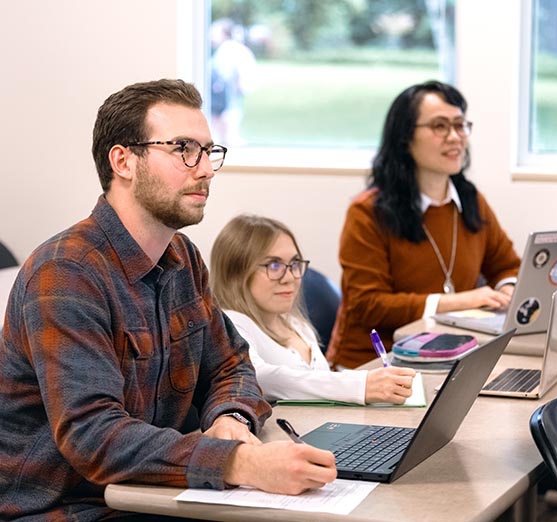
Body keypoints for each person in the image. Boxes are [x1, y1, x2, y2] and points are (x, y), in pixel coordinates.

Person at [0, 79, 336, 521]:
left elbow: (232, 363)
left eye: (209, 151)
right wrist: (239, 462)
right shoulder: (66, 272)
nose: (205, 169)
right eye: (183, 149)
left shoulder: (182, 258)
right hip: (68, 510)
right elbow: (92, 436)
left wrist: (231, 418)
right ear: (123, 161)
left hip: (158, 496)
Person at [327, 80, 520, 369]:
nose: (455, 137)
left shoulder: (470, 201)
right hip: (373, 364)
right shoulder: (367, 212)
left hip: (450, 355)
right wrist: (457, 302)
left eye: (460, 125)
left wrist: (508, 289)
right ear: (405, 138)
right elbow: (369, 305)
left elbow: (507, 266)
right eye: (440, 126)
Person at [210, 214, 416, 405]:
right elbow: (258, 377)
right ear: (235, 274)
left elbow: (319, 384)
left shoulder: (295, 324)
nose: (290, 278)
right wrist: (360, 385)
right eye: (274, 266)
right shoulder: (231, 323)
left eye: (294, 264)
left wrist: (376, 381)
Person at [210, 18, 257, 146]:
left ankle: (227, 140)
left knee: (228, 117)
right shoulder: (228, 48)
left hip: (226, 90)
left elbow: (235, 71)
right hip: (225, 91)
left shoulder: (229, 49)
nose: (211, 36)